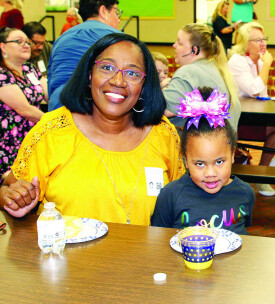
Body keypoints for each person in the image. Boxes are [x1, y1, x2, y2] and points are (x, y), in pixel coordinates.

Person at [0, 33, 185, 225]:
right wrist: (11, 197)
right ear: (89, 75)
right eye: (106, 68)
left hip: (148, 255)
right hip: (67, 254)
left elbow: (183, 200)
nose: (118, 81)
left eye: (132, 73)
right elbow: (9, 190)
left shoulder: (163, 134)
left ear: (144, 84)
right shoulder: (52, 131)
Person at [152, 87, 255, 234]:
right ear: (186, 160)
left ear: (233, 155)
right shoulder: (170, 195)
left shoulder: (245, 193)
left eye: (219, 162)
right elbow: (158, 240)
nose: (210, 173)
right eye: (200, 164)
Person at [228, 22, 275, 197]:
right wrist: (266, 65)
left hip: (254, 115)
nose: (263, 43)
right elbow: (255, 90)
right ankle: (262, 174)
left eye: (264, 39)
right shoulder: (237, 61)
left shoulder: (257, 61)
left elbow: (261, 95)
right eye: (257, 40)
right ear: (245, 43)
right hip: (238, 120)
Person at [163, 23, 240, 132]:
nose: (174, 45)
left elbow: (162, 110)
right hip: (221, 145)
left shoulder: (188, 73)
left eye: (180, 43)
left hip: (189, 146)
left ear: (194, 50)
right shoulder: (220, 71)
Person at [47, 0, 122, 111]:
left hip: (57, 111)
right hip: (95, 115)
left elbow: (51, 82)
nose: (118, 20)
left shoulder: (61, 39)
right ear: (103, 11)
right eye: (117, 13)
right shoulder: (119, 41)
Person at [0, 27, 48, 184]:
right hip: (8, 142)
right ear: (3, 46)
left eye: (27, 42)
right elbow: (24, 109)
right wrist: (56, 121)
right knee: (12, 188)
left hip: (32, 137)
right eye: (18, 41)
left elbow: (50, 95)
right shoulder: (2, 74)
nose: (26, 45)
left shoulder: (30, 69)